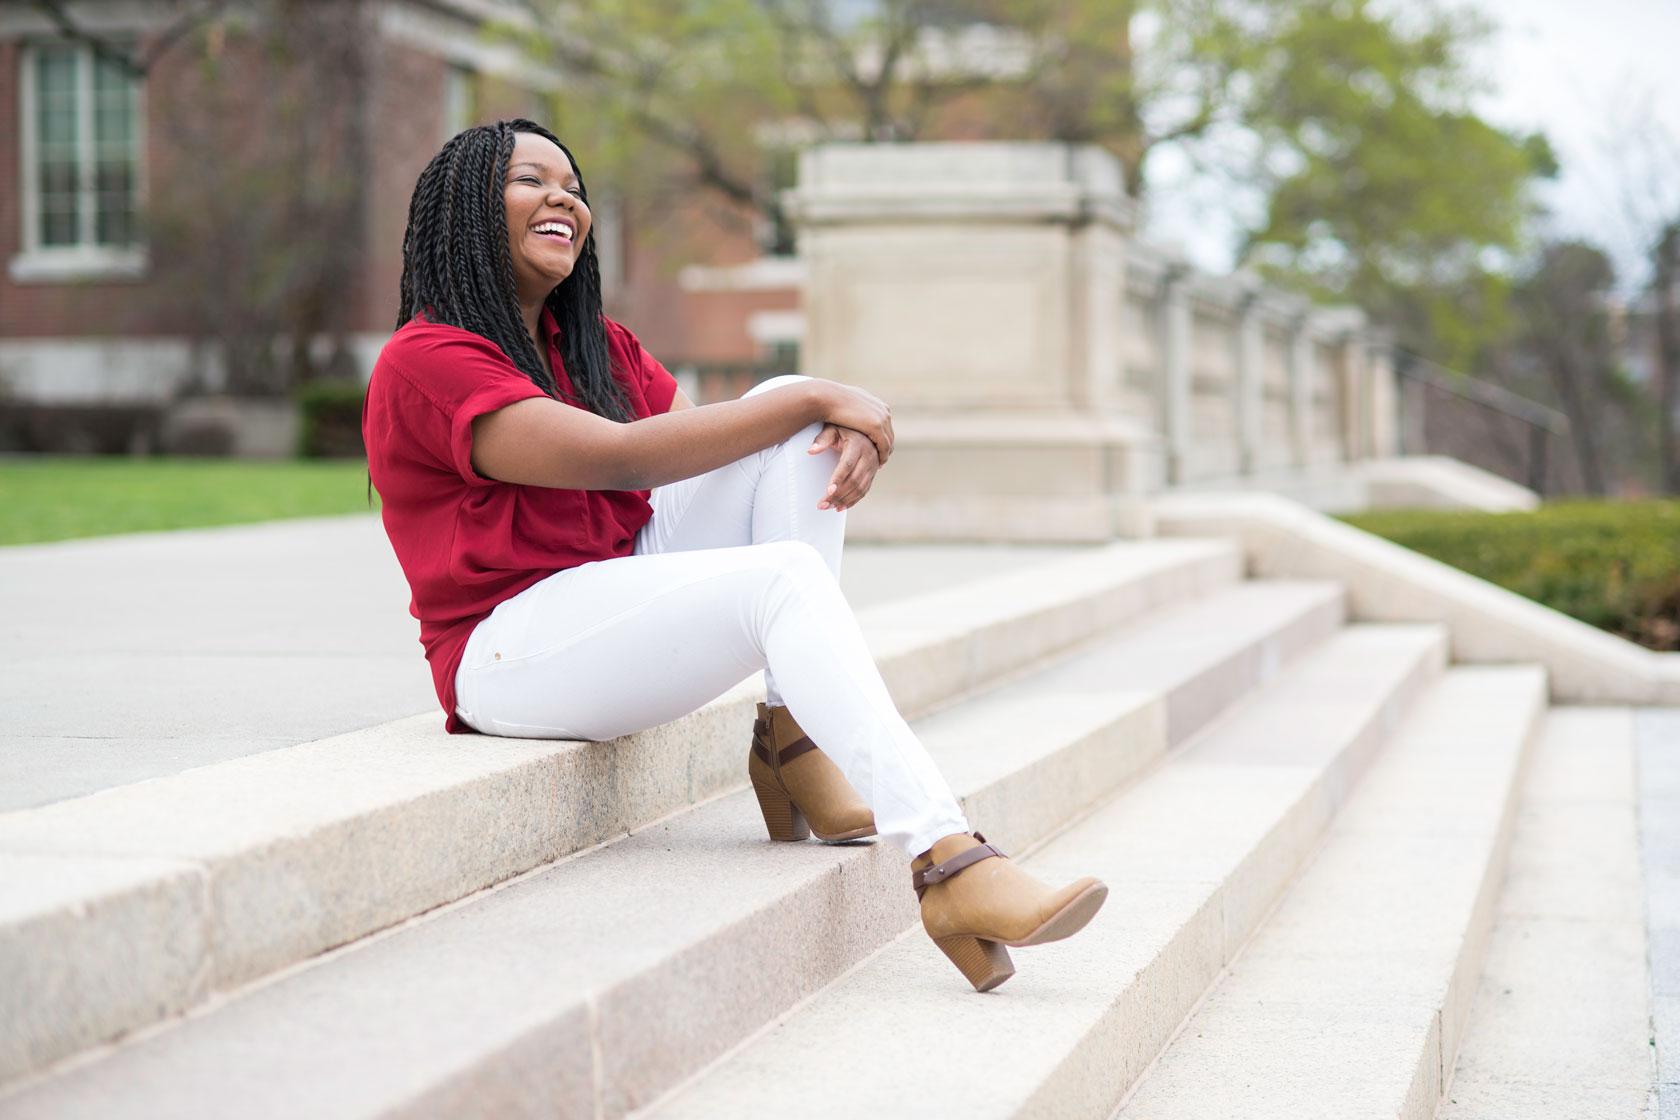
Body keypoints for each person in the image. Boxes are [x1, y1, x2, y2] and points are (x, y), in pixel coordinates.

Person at [360, 118, 1107, 991]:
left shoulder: (592, 344)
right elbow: (620, 456)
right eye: (530, 180)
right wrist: (834, 396)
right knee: (788, 520)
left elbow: (719, 446)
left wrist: (823, 414)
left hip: (610, 592)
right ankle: (950, 865)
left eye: (573, 184)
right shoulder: (428, 359)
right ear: (466, 214)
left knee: (790, 411)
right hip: (506, 649)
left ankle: (793, 740)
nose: (564, 197)